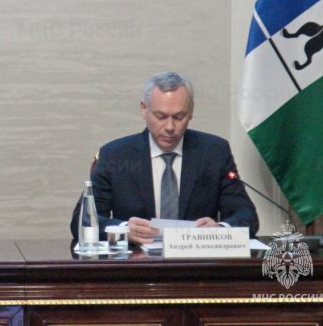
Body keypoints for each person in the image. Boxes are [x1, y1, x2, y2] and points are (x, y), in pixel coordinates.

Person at [70, 71, 259, 245]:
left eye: (179, 117)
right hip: (136, 263)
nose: (170, 127)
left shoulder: (214, 152)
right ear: (144, 109)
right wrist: (124, 230)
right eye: (160, 116)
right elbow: (82, 220)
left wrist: (220, 230)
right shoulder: (116, 155)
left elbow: (246, 215)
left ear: (191, 111)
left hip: (196, 263)